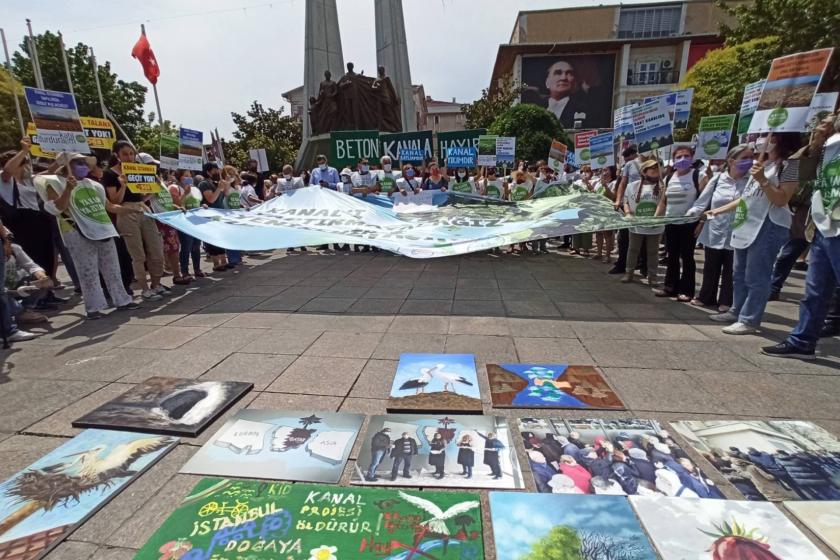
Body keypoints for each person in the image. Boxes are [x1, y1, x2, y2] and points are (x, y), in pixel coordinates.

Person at [764, 112, 840, 359]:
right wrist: (817, 139)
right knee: (815, 291)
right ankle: (803, 340)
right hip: (823, 224)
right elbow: (802, 170)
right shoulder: (830, 144)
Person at [707, 133, 799, 334]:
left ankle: (749, 319)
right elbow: (746, 198)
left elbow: (781, 199)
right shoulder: (762, 163)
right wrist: (719, 210)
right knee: (738, 273)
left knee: (756, 275)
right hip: (745, 223)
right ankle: (736, 310)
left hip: (768, 225)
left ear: (780, 139)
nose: (762, 138)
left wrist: (763, 181)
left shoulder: (790, 165)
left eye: (768, 135)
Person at [36, 155, 139, 320]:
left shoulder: (94, 185)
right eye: (78, 163)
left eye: (85, 163)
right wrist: (68, 189)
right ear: (67, 165)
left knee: (113, 269)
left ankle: (122, 300)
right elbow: (58, 208)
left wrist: (132, 210)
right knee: (87, 271)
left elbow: (109, 207)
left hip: (103, 230)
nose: (83, 166)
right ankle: (94, 307)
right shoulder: (55, 183)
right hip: (76, 232)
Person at [686, 144, 753, 311]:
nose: (749, 161)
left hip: (738, 232)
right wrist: (691, 214)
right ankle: (706, 297)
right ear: (731, 161)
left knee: (732, 269)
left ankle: (726, 301)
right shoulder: (717, 179)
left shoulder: (753, 181)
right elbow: (702, 203)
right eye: (744, 158)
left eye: (751, 157)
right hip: (715, 231)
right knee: (711, 266)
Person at [0, 137, 63, 309]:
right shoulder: (5, 180)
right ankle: (35, 298)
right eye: (24, 162)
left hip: (38, 219)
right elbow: (7, 171)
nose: (28, 165)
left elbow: (50, 171)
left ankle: (47, 293)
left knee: (47, 256)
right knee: (32, 258)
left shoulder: (30, 179)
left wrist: (63, 156)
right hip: (21, 222)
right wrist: (24, 151)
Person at [102, 141, 166, 301]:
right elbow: (114, 200)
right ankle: (144, 288)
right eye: (125, 154)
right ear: (117, 155)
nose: (129, 157)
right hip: (126, 212)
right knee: (138, 254)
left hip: (143, 208)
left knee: (156, 249)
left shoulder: (138, 169)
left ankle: (157, 284)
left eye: (131, 154)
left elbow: (142, 197)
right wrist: (122, 185)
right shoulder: (110, 174)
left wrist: (154, 187)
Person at [655, 145, 700, 301]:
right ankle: (670, 287)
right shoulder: (669, 177)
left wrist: (700, 222)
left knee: (687, 257)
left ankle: (687, 290)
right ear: (673, 160)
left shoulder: (698, 176)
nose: (683, 159)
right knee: (672, 255)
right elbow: (663, 201)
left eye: (686, 156)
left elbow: (703, 202)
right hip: (671, 222)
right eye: (679, 157)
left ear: (692, 158)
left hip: (689, 224)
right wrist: (656, 217)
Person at [622, 159, 665, 285]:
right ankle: (629, 273)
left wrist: (655, 219)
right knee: (633, 249)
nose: (656, 172)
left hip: (655, 226)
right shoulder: (632, 186)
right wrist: (628, 213)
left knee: (653, 251)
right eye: (652, 169)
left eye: (657, 169)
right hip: (636, 224)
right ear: (644, 171)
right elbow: (626, 201)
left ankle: (652, 276)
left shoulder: (663, 186)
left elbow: (663, 203)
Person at [3, 237, 52, 325]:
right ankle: (20, 312)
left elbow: (31, 266)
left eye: (10, 238)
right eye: (6, 239)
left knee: (41, 282)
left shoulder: (15, 248)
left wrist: (42, 278)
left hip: (17, 283)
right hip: (4, 290)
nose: (9, 241)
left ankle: (27, 309)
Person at [610, 147, 644, 275]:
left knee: (644, 238)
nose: (628, 161)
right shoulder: (629, 165)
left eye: (629, 158)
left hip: (647, 205)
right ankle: (622, 264)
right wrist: (618, 200)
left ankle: (642, 265)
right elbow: (622, 184)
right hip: (628, 205)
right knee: (624, 237)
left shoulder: (655, 163)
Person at [197, 162, 231, 272]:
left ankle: (224, 261)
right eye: (215, 170)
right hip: (210, 215)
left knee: (221, 237)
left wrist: (226, 186)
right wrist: (219, 188)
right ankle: (216, 263)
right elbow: (211, 199)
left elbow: (226, 195)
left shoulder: (216, 183)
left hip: (219, 214)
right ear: (208, 171)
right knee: (213, 239)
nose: (218, 172)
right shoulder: (204, 184)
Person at [543, 59, 594, 129]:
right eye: (558, 73)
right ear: (547, 82)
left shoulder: (585, 110)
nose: (563, 78)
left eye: (569, 73)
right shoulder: (537, 107)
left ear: (574, 83)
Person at [171, 170, 203, 279]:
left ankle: (197, 269)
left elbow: (198, 203)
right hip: (184, 222)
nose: (188, 178)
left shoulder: (195, 189)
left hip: (195, 220)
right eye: (185, 176)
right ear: (179, 177)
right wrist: (185, 193)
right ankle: (185, 272)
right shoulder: (174, 188)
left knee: (196, 246)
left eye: (190, 176)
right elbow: (176, 204)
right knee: (186, 247)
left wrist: (203, 206)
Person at [594, 166, 618, 263]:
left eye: (606, 170)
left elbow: (613, 197)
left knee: (608, 234)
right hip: (598, 210)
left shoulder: (615, 183)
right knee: (598, 233)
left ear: (612, 171)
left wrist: (605, 186)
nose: (603, 172)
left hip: (608, 211)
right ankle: (599, 253)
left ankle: (607, 255)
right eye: (602, 170)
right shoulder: (599, 182)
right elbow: (595, 194)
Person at [221, 165, 243, 267]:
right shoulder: (225, 185)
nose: (232, 175)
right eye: (230, 173)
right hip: (228, 213)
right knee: (230, 237)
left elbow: (238, 199)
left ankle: (238, 257)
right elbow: (225, 194)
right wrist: (227, 182)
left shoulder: (236, 186)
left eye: (233, 173)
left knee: (237, 236)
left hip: (236, 214)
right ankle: (232, 259)